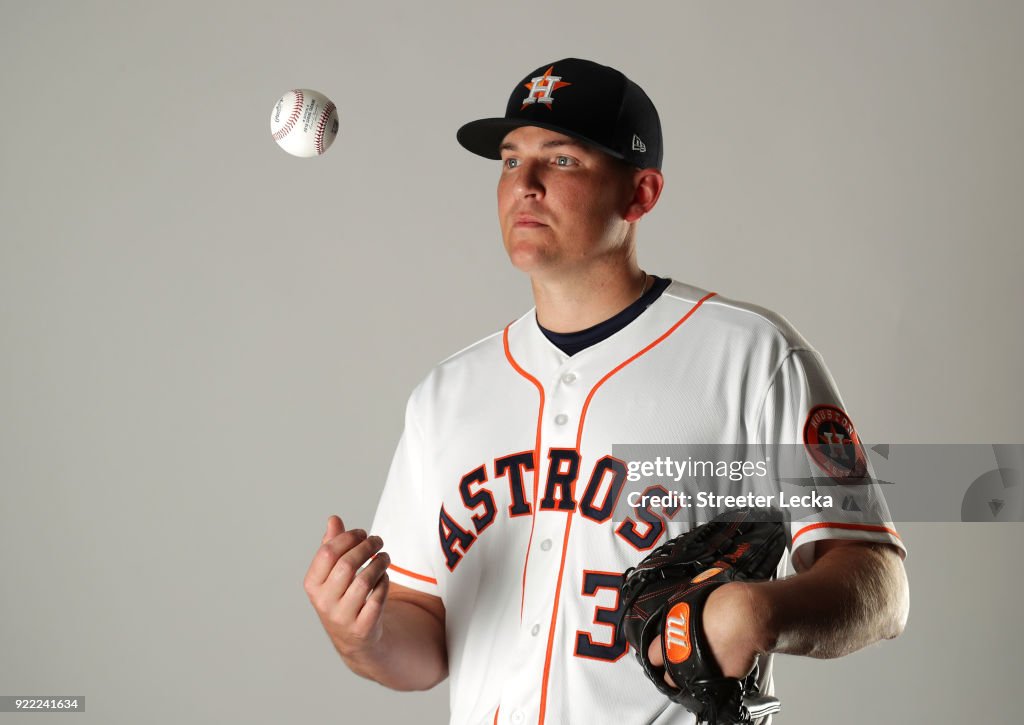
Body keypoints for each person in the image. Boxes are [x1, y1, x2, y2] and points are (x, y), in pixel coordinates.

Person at [303, 58, 909, 724]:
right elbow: (423, 634)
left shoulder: (751, 355)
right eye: (509, 161)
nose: (524, 185)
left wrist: (761, 613)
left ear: (640, 194)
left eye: (560, 160)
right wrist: (362, 634)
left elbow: (881, 587)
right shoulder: (447, 395)